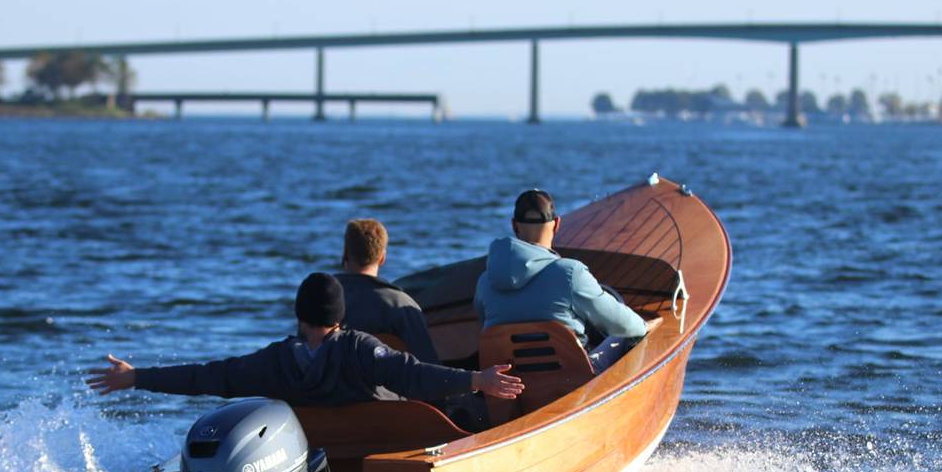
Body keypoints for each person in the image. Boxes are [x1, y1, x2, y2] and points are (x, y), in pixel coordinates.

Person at [87, 272, 523, 407]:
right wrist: (476, 381)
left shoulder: (275, 361)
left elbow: (209, 376)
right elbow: (414, 376)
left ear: (299, 315)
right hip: (375, 461)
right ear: (340, 317)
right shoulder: (360, 349)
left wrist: (138, 377)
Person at [474, 189, 648, 351]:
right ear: (557, 224)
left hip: (507, 379)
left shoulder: (485, 282)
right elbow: (621, 324)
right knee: (631, 336)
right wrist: (645, 326)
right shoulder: (571, 273)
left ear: (514, 225)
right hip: (572, 376)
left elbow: (485, 325)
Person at [335, 218, 440, 363]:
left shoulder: (320, 297)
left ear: (346, 253)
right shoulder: (401, 305)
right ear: (382, 258)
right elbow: (428, 366)